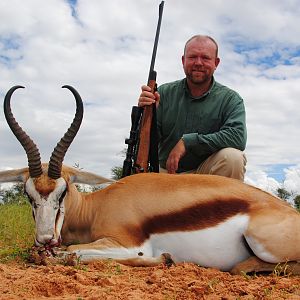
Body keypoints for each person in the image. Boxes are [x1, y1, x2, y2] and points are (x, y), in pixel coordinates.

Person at [138, 35, 247, 181]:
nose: (198, 63)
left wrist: (188, 142)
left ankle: (220, 204)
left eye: (206, 58)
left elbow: (238, 137)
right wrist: (147, 113)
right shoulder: (162, 93)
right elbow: (145, 143)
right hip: (164, 175)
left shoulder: (231, 99)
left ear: (216, 63)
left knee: (233, 158)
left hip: (205, 177)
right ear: (183, 61)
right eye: (192, 57)